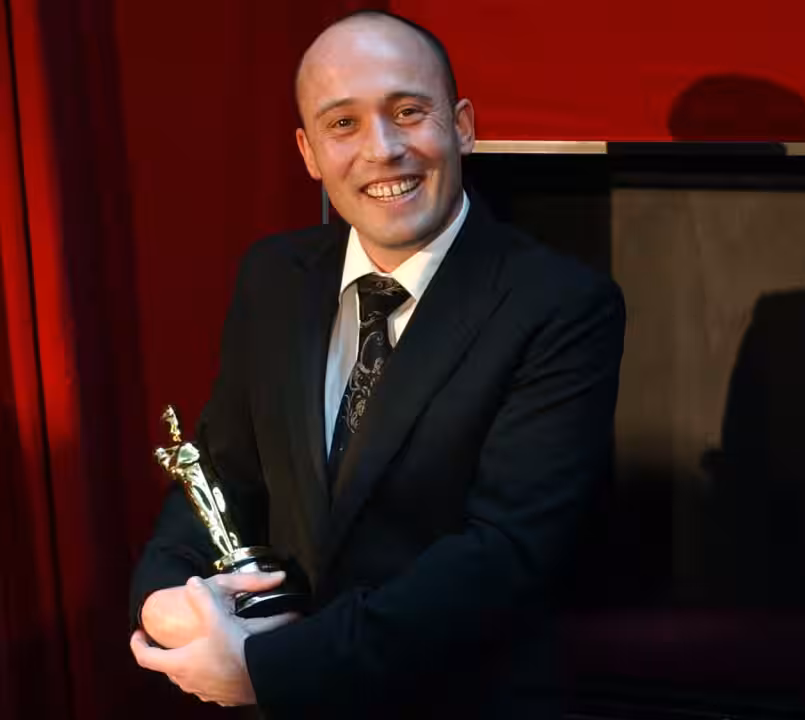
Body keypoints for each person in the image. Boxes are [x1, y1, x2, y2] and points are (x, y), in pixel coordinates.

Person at [127, 10, 625, 718]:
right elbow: (222, 471)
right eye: (343, 124)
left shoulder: (561, 304)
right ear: (308, 152)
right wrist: (163, 594)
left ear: (462, 126)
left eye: (408, 112)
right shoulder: (272, 277)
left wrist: (269, 671)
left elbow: (503, 554)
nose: (383, 149)